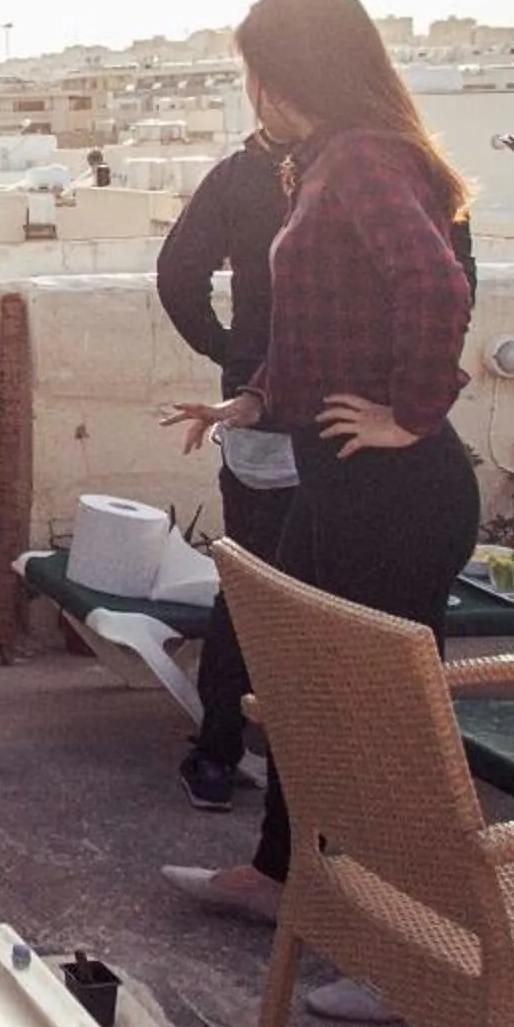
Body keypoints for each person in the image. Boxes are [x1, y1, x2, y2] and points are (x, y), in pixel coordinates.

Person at [159, 0, 479, 1025]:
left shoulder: (365, 159)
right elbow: (319, 326)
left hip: (394, 491)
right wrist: (251, 399)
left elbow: (436, 284)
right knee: (299, 681)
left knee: (381, 722)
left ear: (287, 73)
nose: (251, 93)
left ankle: (416, 949)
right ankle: (280, 870)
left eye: (254, 72)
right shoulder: (330, 160)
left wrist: (412, 414)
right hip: (338, 479)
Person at [151, 126, 297, 813]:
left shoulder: (245, 173)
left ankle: (218, 751)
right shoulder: (386, 155)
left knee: (247, 583)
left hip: (259, 406)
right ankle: (329, 763)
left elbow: (179, 275)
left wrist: (234, 353)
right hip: (351, 409)